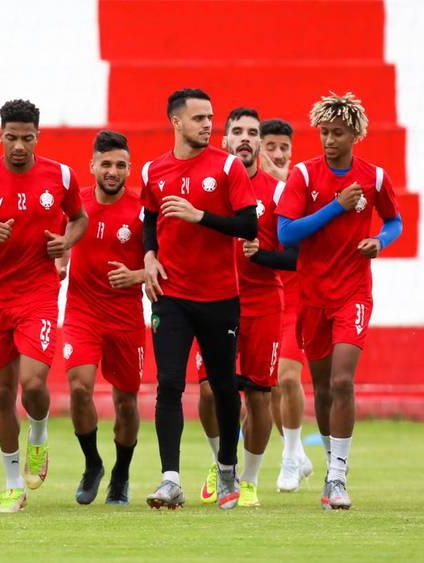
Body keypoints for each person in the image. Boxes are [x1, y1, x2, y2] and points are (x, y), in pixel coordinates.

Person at [0, 99, 88, 513]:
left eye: (27, 138)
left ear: (37, 136)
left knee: (33, 383)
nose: (19, 146)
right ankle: (12, 484)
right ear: (0, 136)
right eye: (11, 138)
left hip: (38, 295)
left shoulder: (60, 175)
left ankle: (38, 436)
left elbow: (78, 218)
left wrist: (67, 243)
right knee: (2, 391)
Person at [277, 92, 402, 510]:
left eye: (337, 133)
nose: (329, 140)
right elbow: (287, 235)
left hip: (353, 292)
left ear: (355, 135)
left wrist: (379, 240)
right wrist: (336, 206)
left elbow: (395, 221)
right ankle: (332, 467)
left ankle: (338, 475)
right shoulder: (303, 176)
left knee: (343, 381)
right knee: (324, 389)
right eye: (324, 132)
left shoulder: (374, 177)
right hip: (312, 295)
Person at [141, 89, 257, 510]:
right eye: (199, 118)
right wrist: (149, 255)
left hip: (219, 296)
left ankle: (227, 469)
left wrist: (200, 216)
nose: (208, 125)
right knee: (169, 384)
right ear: (176, 122)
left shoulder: (227, 166)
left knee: (225, 387)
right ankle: (170, 479)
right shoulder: (153, 170)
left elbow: (248, 225)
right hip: (170, 294)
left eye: (210, 117)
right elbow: (150, 219)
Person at [196, 108, 298, 507]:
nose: (244, 138)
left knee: (258, 396)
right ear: (223, 139)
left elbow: (298, 256)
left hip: (262, 304)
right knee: (207, 392)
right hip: (212, 300)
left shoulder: (276, 192)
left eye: (251, 133)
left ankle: (249, 480)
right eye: (236, 131)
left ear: (260, 143)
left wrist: (264, 255)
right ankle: (223, 466)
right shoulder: (208, 186)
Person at [59, 131, 144, 506]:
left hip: (126, 316)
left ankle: (121, 474)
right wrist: (59, 261)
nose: (112, 171)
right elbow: (58, 241)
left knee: (126, 401)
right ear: (92, 165)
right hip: (83, 311)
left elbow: (167, 263)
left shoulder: (144, 209)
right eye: (105, 164)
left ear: (129, 168)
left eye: (120, 165)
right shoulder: (73, 202)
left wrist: (136, 276)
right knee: (79, 387)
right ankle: (92, 463)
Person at [259, 118, 314, 492]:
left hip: (297, 298)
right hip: (262, 300)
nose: (279, 155)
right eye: (272, 148)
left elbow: (300, 254)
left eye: (285, 149)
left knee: (288, 378)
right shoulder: (245, 189)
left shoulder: (302, 190)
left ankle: (289, 459)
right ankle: (296, 453)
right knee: (270, 389)